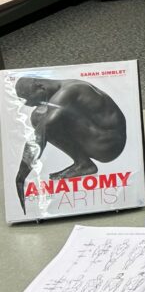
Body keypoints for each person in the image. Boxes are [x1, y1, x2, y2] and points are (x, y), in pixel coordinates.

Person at [12, 76, 129, 212]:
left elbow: (39, 135)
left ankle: (83, 164)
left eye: (36, 101)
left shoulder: (66, 92)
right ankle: (83, 163)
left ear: (41, 87)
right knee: (41, 115)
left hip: (108, 145)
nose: (37, 105)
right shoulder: (64, 86)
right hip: (104, 138)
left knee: (41, 119)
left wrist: (21, 177)